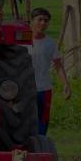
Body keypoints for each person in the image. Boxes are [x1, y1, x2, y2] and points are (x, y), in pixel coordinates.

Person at [26, 7, 71, 135]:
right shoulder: (22, 40)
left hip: (44, 88)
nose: (43, 23)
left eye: (46, 21)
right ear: (32, 21)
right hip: (26, 89)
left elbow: (58, 65)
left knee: (43, 120)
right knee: (25, 119)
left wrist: (65, 84)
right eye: (40, 20)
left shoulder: (50, 43)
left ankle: (40, 147)